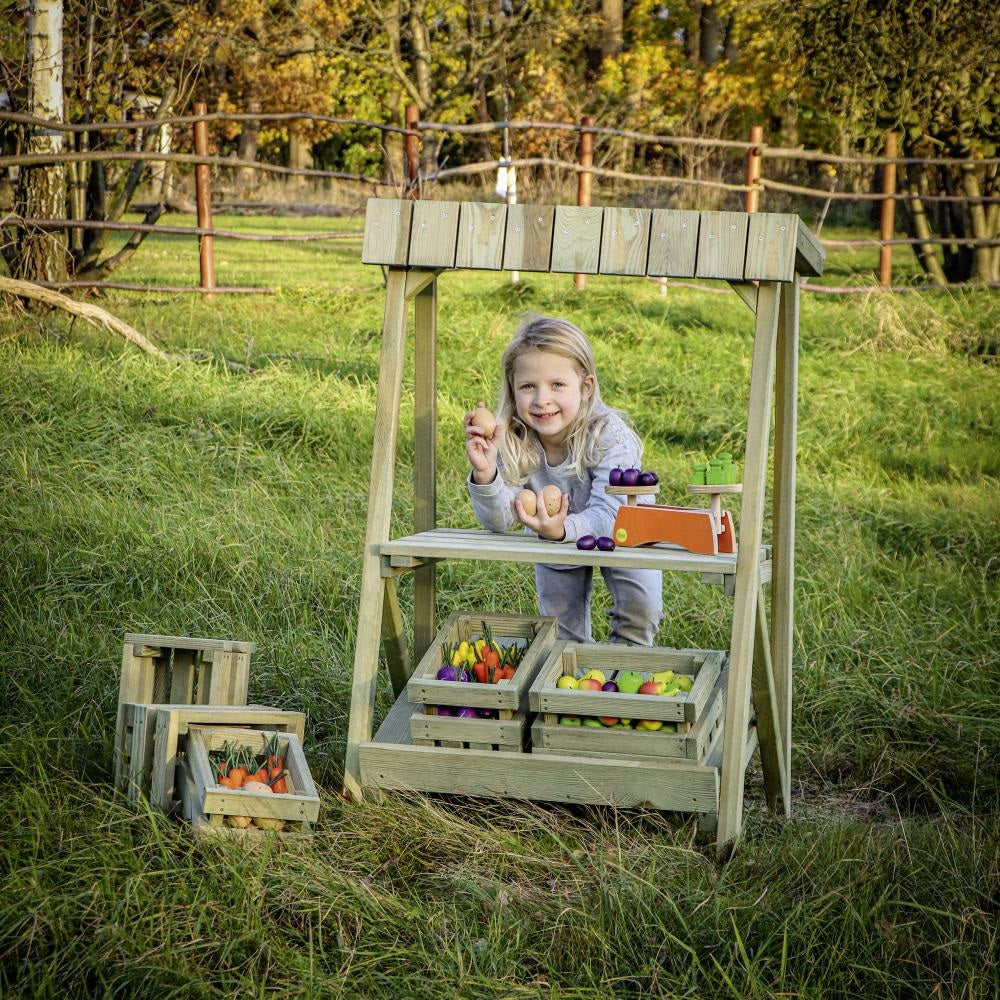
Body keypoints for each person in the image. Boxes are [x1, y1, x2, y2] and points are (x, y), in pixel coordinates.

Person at [464, 314, 662, 645]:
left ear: (586, 387)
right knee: (561, 629)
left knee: (640, 613)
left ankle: (622, 684)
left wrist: (560, 530)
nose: (542, 399)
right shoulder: (515, 437)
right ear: (513, 390)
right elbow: (500, 519)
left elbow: (612, 516)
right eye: (528, 386)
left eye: (557, 385)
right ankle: (570, 688)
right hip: (552, 535)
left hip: (628, 533)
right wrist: (486, 474)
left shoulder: (610, 436)